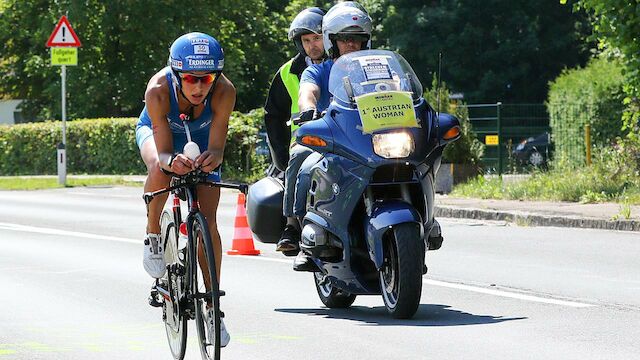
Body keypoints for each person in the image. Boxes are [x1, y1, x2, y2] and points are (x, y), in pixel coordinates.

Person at [136, 32, 235, 347]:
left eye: (206, 79)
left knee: (209, 220)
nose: (199, 86)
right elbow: (164, 153)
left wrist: (212, 159)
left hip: (201, 143)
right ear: (177, 75)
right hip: (161, 139)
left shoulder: (224, 92)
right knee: (158, 170)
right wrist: (169, 163)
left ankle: (213, 307)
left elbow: (218, 147)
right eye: (191, 79)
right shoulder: (159, 91)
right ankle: (153, 235)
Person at [283, 2, 373, 270]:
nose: (352, 45)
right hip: (333, 139)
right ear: (332, 41)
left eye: (357, 39)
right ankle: (299, 231)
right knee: (302, 157)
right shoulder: (319, 70)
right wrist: (309, 109)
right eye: (345, 39)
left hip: (369, 140)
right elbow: (307, 92)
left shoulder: (373, 67)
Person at [262, 8, 326, 267]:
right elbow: (273, 114)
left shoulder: (345, 60)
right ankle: (292, 227)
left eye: (317, 38)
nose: (312, 45)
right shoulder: (288, 72)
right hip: (306, 139)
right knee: (296, 161)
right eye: (306, 41)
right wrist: (279, 155)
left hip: (345, 135)